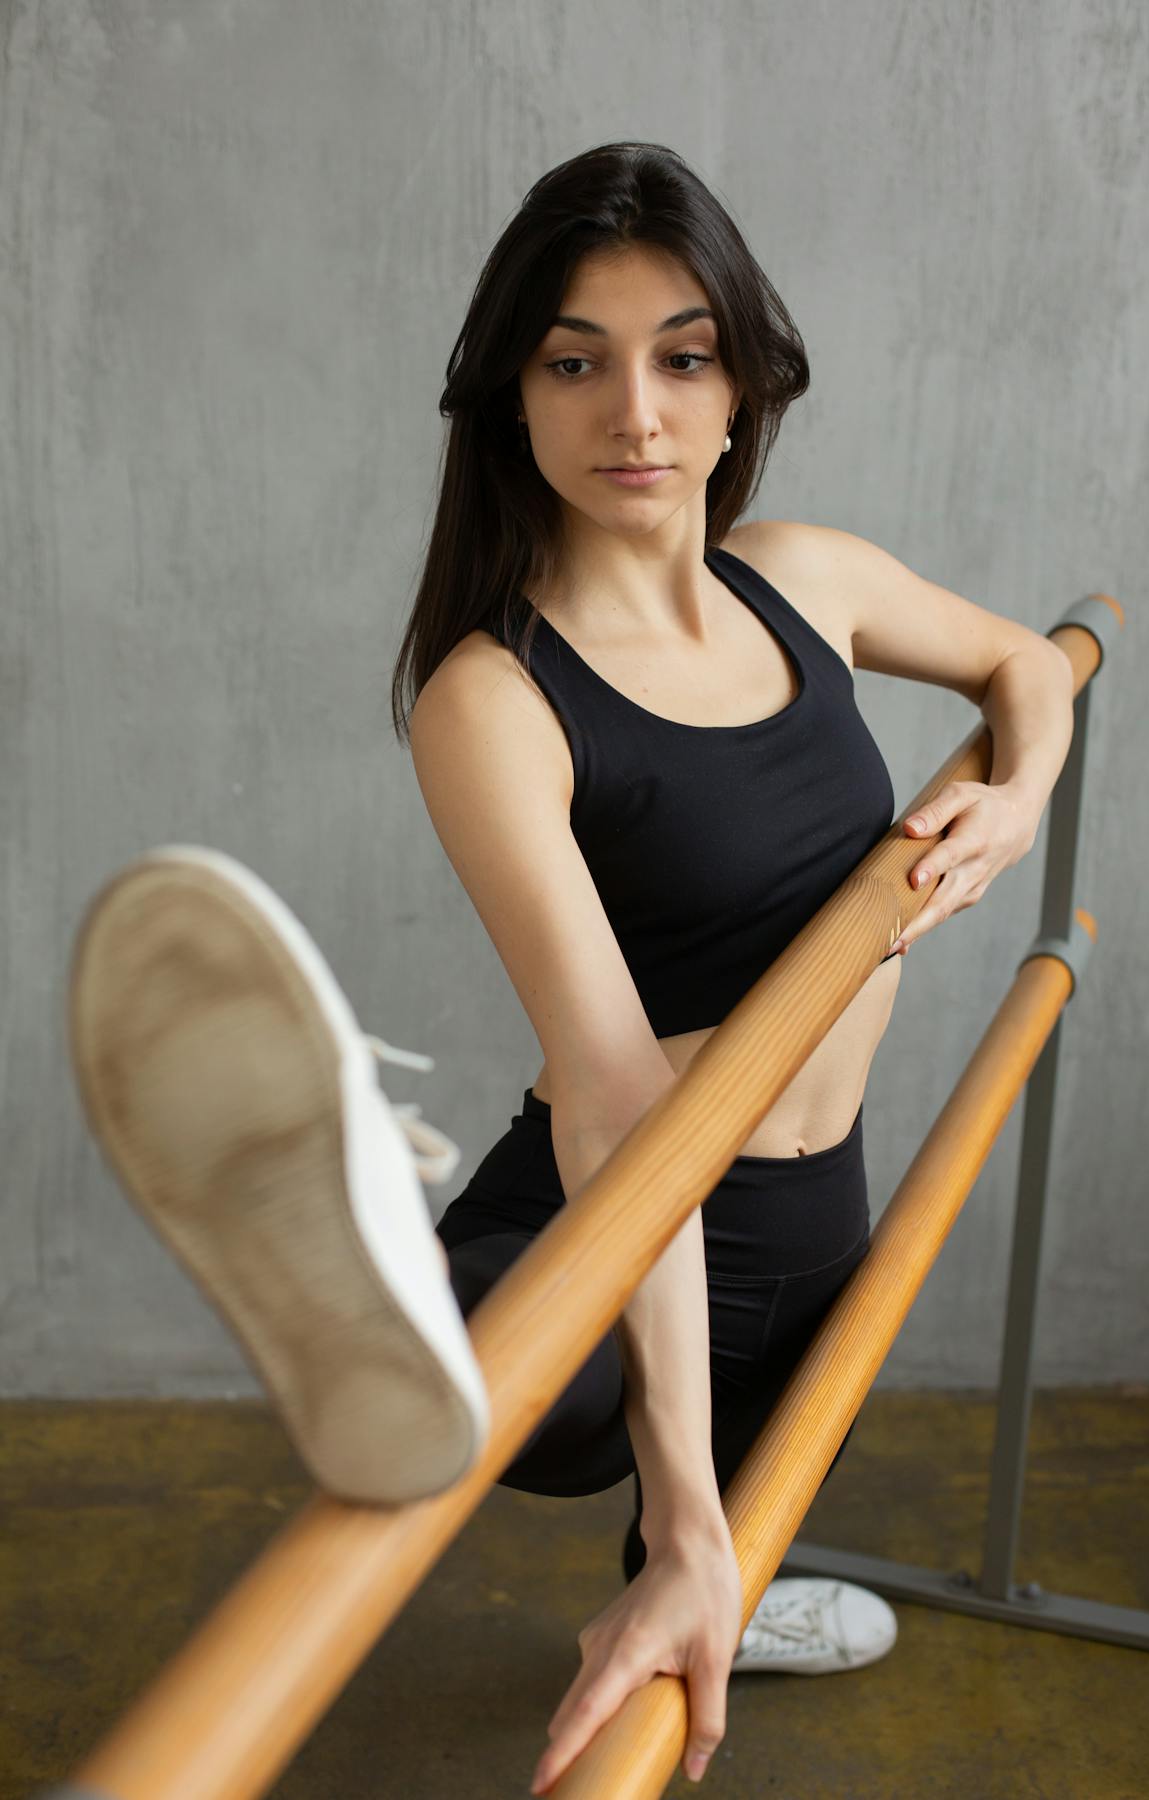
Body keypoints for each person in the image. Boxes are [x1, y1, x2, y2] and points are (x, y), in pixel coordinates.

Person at [69, 141, 1073, 1796]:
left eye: (683, 357)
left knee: (736, 1530)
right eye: (575, 362)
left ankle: (704, 1585)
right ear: (512, 402)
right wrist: (675, 1509)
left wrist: (1018, 798)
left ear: (743, 384)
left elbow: (1027, 661)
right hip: (620, 1200)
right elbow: (620, 1099)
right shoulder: (496, 698)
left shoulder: (806, 582)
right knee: (544, 1392)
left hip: (816, 1209)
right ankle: (378, 1280)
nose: (637, 413)